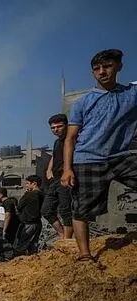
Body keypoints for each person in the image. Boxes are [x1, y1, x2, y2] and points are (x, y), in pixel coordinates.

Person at [62, 49, 137, 261]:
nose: (102, 72)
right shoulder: (83, 103)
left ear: (119, 66)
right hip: (88, 160)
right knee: (81, 209)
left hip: (121, 156)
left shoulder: (131, 94)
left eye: (107, 66)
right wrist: (67, 169)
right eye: (97, 69)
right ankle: (85, 254)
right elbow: (70, 138)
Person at [42, 114, 73, 239]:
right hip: (56, 180)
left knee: (66, 211)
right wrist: (49, 169)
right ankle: (61, 234)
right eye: (53, 128)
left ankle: (67, 239)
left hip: (66, 178)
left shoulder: (71, 139)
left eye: (59, 126)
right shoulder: (56, 142)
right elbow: (54, 156)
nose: (56, 130)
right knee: (46, 210)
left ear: (66, 125)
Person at [15, 175, 45, 255]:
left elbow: (19, 206)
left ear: (34, 184)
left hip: (28, 224)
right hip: (38, 222)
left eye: (28, 183)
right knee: (33, 246)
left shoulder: (29, 194)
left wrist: (26, 193)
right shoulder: (43, 194)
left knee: (21, 246)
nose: (26, 185)